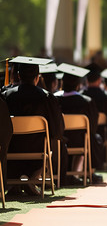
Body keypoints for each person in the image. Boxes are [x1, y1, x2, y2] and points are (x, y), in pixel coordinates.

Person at [2, 56, 65, 195]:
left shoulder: (6, 96)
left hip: (11, 151)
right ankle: (33, 178)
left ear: (18, 76)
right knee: (53, 140)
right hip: (38, 153)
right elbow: (57, 129)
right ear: (37, 77)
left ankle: (13, 183)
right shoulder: (47, 97)